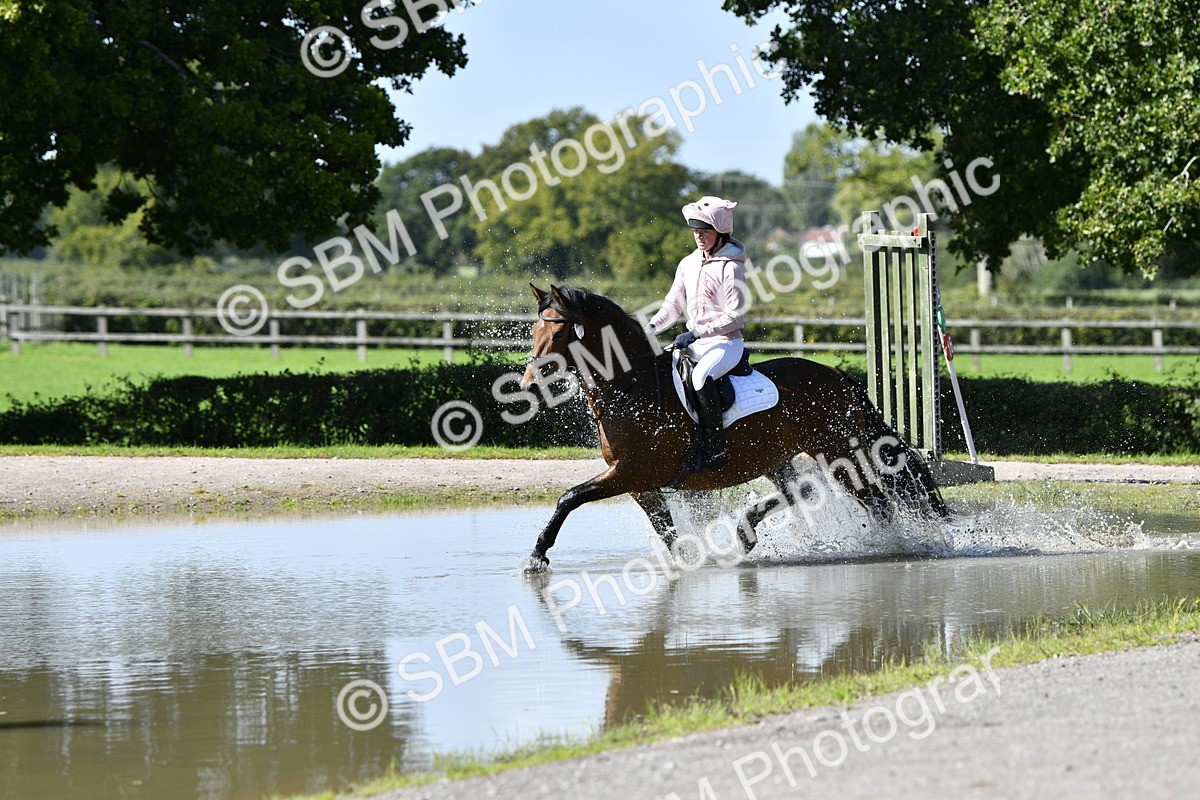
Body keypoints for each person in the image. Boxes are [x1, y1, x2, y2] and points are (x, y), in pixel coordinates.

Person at [645, 195, 748, 473]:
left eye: (705, 231)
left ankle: (715, 449)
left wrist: (696, 332)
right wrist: (651, 327)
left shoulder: (732, 266)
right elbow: (673, 304)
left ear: (721, 233)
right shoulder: (687, 264)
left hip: (726, 343)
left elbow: (734, 316)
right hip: (696, 343)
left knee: (701, 378)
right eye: (695, 230)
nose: (699, 236)